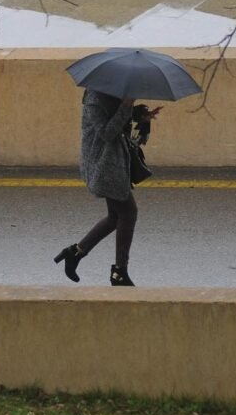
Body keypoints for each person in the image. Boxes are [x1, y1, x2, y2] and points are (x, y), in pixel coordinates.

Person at [53, 89, 160, 286]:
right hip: (103, 163)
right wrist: (127, 105)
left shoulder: (110, 93)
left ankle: (75, 253)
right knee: (128, 213)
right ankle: (119, 272)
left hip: (114, 161)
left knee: (115, 216)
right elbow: (107, 132)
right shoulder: (94, 99)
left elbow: (117, 118)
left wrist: (140, 115)